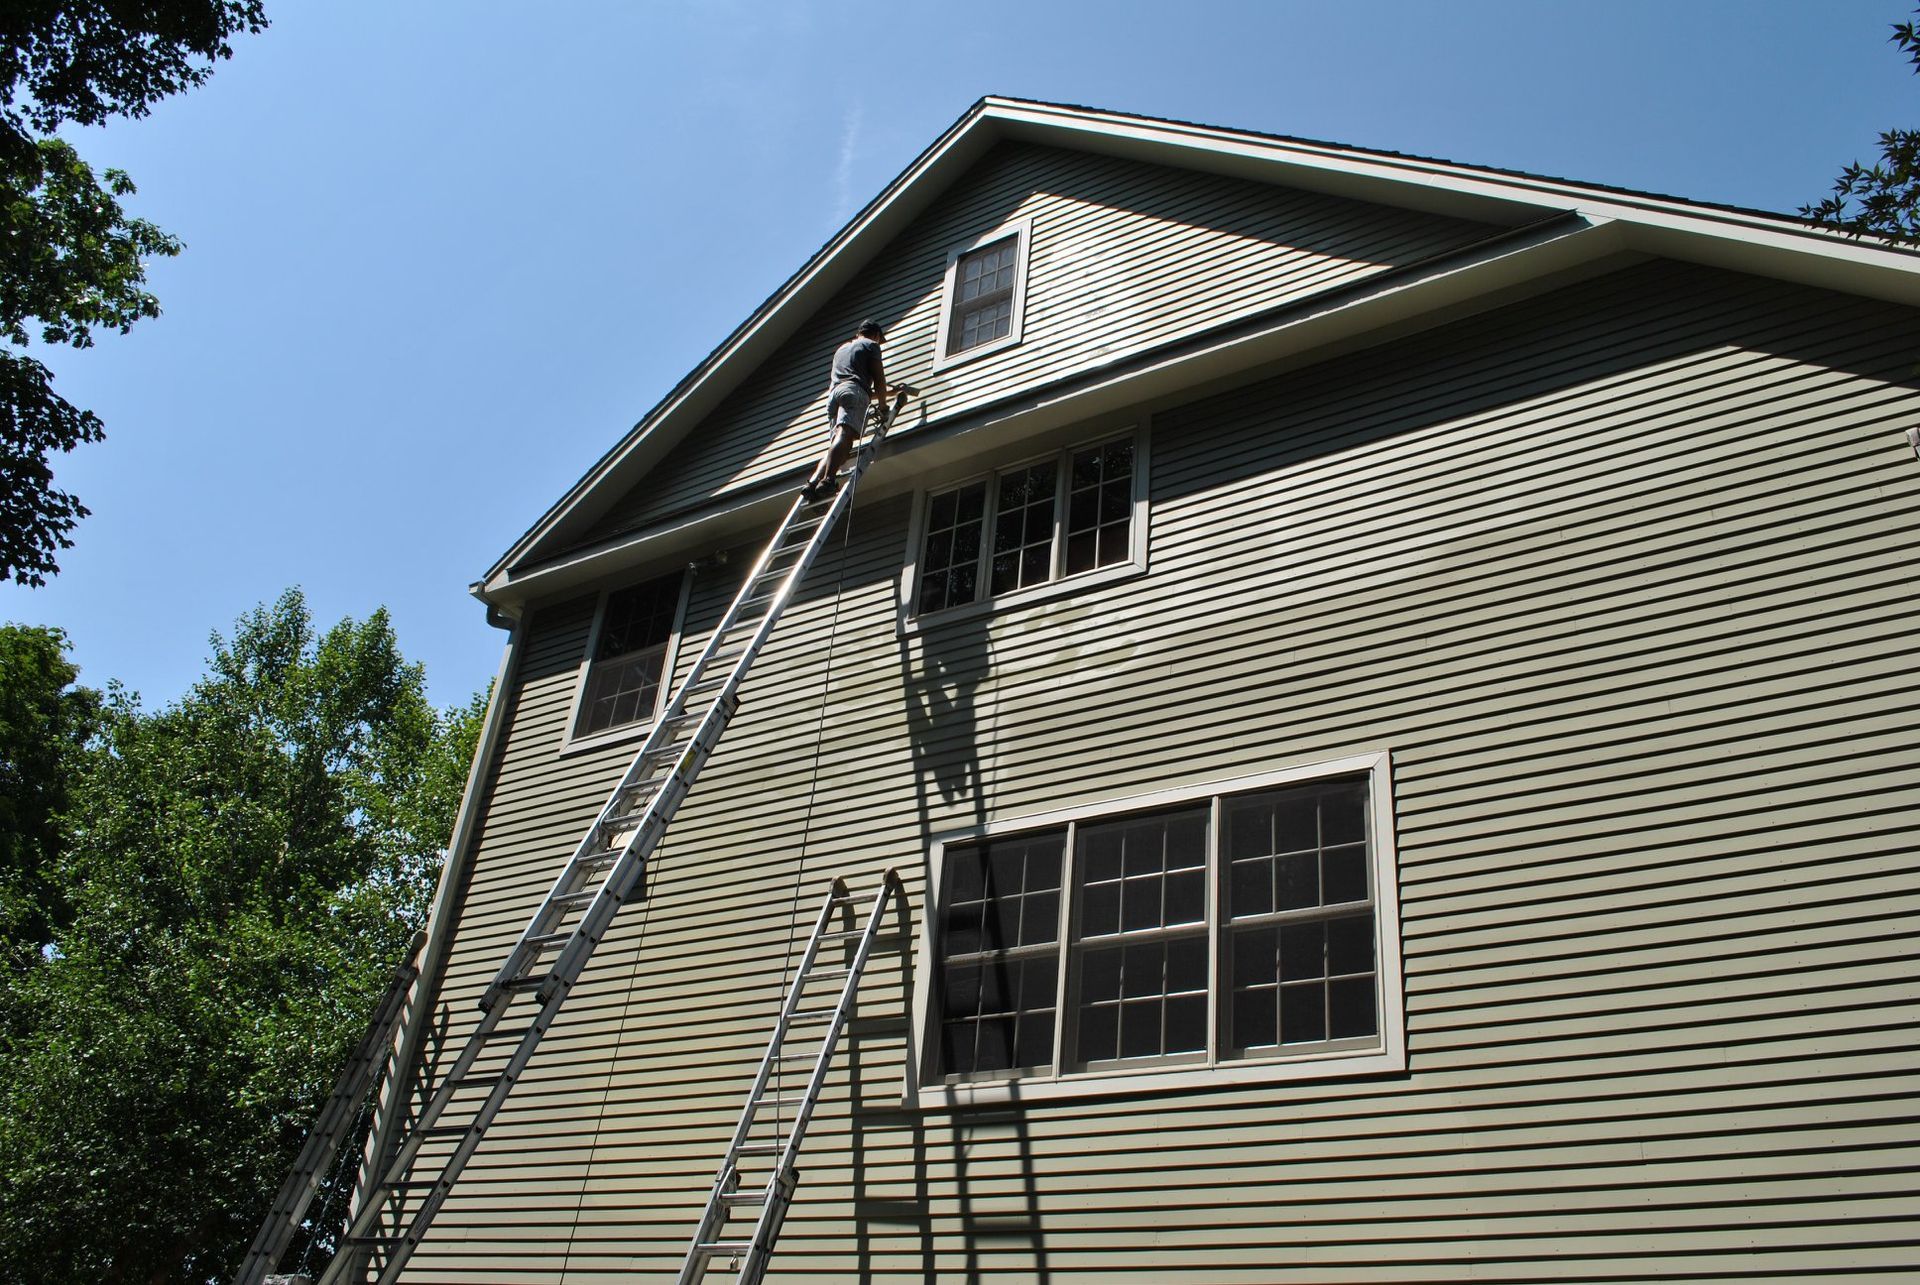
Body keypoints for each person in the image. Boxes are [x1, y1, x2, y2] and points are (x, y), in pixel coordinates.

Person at [803, 320, 890, 500]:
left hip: (834, 395)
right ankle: (828, 480)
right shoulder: (871, 345)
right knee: (845, 433)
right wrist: (883, 406)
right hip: (852, 391)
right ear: (875, 335)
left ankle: (812, 483)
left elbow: (854, 386)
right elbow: (878, 380)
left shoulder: (842, 349)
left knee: (840, 443)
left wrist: (892, 391)